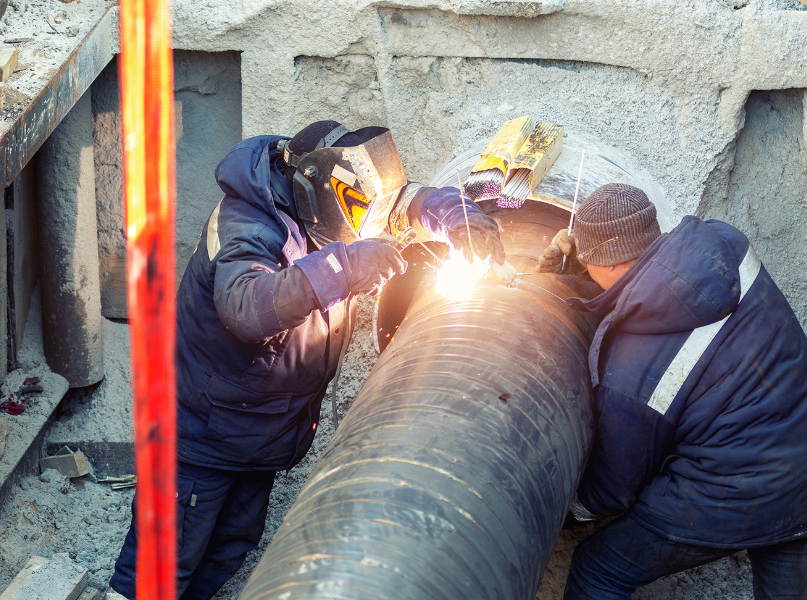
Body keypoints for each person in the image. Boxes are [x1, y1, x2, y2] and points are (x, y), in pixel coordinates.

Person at [109, 120, 511, 599]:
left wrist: (456, 216)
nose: (374, 224)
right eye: (364, 215)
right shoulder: (248, 224)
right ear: (315, 191)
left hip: (260, 433)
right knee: (162, 565)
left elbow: (405, 203)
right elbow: (245, 307)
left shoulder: (334, 199)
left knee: (230, 546)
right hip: (203, 433)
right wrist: (344, 266)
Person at [537, 183, 807, 599]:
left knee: (599, 570)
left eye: (588, 258)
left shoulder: (632, 369)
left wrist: (559, 514)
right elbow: (657, 284)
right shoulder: (725, 243)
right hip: (800, 463)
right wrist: (585, 273)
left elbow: (613, 490)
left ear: (605, 260)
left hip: (733, 491)